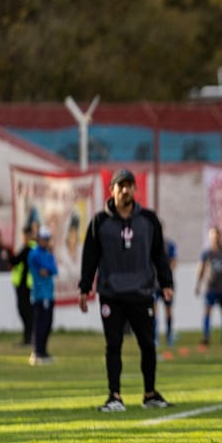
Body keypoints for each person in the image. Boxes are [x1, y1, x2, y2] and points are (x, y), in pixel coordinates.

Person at [79, 169, 174, 412]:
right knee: (113, 345)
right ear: (111, 190)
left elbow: (158, 255)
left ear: (135, 189)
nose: (125, 190)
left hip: (142, 292)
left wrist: (166, 283)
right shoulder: (100, 221)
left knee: (148, 344)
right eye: (120, 186)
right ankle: (114, 396)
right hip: (111, 293)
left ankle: (150, 394)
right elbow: (90, 257)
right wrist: (84, 288)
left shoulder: (149, 220)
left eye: (129, 185)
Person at [27, 226, 58, 366]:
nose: (45, 241)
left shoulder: (49, 254)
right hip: (39, 294)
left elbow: (53, 269)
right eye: (43, 239)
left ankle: (44, 351)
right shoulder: (34, 253)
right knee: (40, 324)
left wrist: (47, 268)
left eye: (47, 239)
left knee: (48, 324)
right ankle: (37, 351)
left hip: (49, 294)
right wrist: (46, 268)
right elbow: (39, 265)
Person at [9, 225, 36, 347]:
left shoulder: (30, 248)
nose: (25, 237)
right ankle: (28, 337)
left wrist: (8, 254)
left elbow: (15, 260)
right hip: (21, 284)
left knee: (26, 311)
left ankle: (29, 337)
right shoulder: (26, 248)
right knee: (25, 310)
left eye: (26, 234)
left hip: (27, 284)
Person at [153, 222, 177, 347]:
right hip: (153, 284)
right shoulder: (149, 244)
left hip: (166, 283)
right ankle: (155, 337)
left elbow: (174, 262)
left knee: (168, 310)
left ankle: (169, 335)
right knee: (153, 310)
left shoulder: (169, 244)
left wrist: (165, 275)